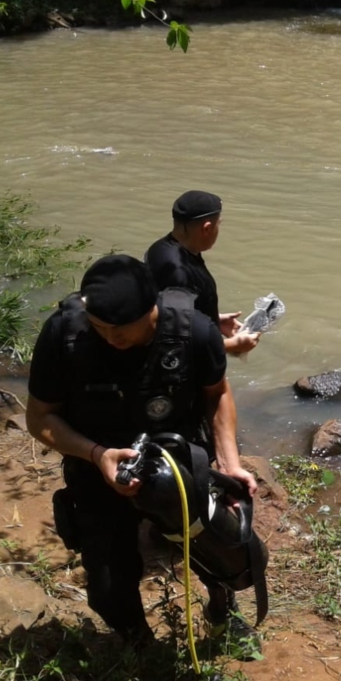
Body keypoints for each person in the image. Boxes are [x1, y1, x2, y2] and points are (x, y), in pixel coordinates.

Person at [26, 254, 260, 648]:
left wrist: (230, 464)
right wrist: (97, 454)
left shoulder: (194, 331)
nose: (111, 338)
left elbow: (216, 394)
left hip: (179, 461)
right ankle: (142, 646)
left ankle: (222, 606)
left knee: (221, 548)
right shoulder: (65, 335)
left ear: (153, 306)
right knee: (107, 585)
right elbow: (40, 418)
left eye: (122, 329)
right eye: (100, 327)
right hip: (98, 465)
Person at [145, 190, 259, 356]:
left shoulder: (160, 249)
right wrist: (231, 345)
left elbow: (167, 313)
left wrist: (212, 320)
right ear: (206, 228)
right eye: (219, 224)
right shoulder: (179, 273)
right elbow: (174, 341)